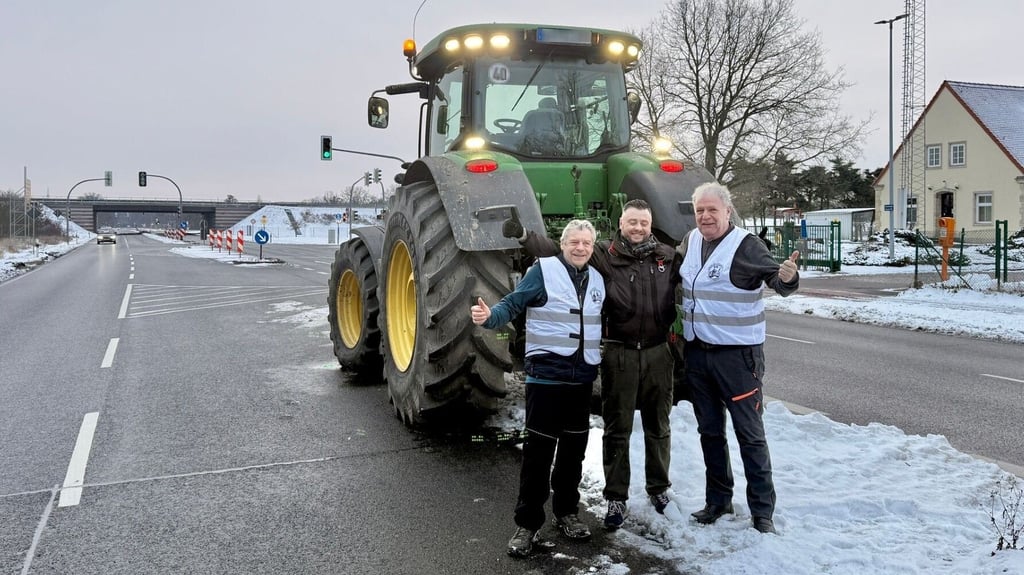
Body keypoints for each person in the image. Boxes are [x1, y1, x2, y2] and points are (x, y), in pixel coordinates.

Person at [506, 198, 678, 530]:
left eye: (643, 222)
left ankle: (658, 489)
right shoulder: (604, 253)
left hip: (658, 350)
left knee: (659, 424)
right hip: (619, 351)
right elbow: (564, 250)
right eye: (631, 222)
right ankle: (616, 496)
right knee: (618, 426)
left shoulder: (667, 256)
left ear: (651, 224)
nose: (638, 227)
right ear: (622, 224)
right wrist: (526, 236)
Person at [471, 219, 606, 558]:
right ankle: (528, 523)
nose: (580, 248)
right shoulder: (543, 271)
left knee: (573, 452)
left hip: (581, 380)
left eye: (586, 244)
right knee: (538, 455)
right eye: (574, 242)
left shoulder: (597, 280)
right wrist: (490, 318)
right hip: (546, 380)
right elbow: (513, 303)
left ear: (592, 247)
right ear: (563, 244)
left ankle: (566, 512)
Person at [677, 182, 800, 535]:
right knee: (710, 432)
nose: (705, 216)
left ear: (727, 212)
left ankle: (762, 511)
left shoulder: (746, 245)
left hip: (738, 359)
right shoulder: (690, 241)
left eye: (712, 210)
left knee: (750, 435)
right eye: (700, 210)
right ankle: (718, 500)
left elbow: (777, 279)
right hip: (699, 354)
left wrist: (787, 279)